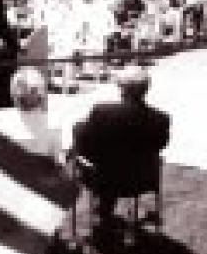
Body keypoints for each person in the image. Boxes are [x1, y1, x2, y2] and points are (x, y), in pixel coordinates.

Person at [70, 65, 170, 244]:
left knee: (91, 155)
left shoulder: (102, 111)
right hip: (142, 179)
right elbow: (160, 146)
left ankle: (103, 213)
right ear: (146, 89)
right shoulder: (161, 119)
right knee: (118, 159)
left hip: (104, 179)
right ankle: (104, 212)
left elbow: (86, 146)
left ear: (121, 88)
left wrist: (78, 131)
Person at [0, 68, 66, 164]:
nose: (22, 95)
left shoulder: (53, 121)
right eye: (19, 90)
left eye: (32, 91)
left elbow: (59, 158)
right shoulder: (1, 116)